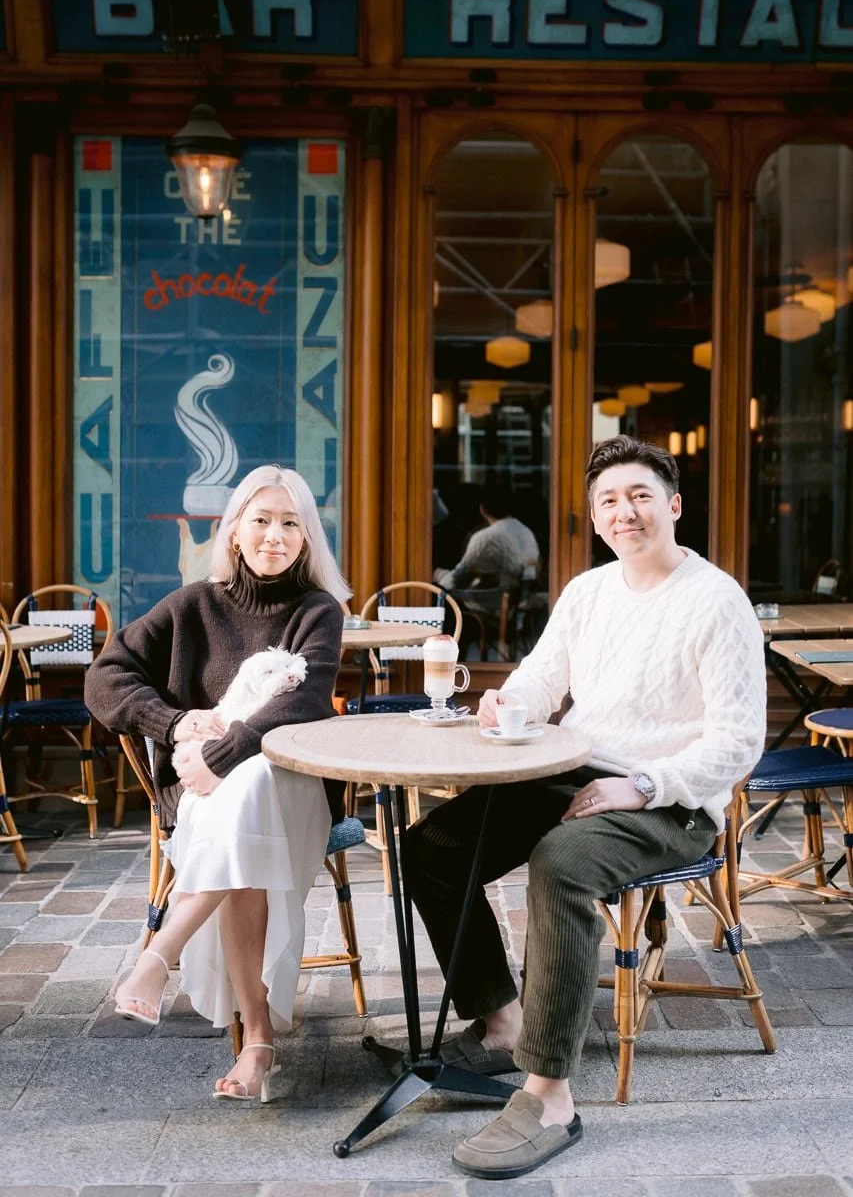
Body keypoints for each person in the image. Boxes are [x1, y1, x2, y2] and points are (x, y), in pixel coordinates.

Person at [404, 435, 766, 1180]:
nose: (622, 511)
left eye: (638, 495)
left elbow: (738, 742)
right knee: (432, 847)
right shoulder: (588, 592)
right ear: (594, 517)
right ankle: (500, 1019)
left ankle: (549, 1096)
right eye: (607, 500)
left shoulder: (714, 599)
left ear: (672, 505)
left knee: (561, 864)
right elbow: (542, 679)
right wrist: (510, 700)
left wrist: (641, 786)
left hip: (670, 800)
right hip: (572, 772)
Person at [85, 465, 351, 1103]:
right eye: (260, 520)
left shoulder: (318, 611)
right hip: (204, 792)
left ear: (307, 538)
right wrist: (173, 724)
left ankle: (159, 953)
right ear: (234, 530)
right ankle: (257, 1043)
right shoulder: (192, 606)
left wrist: (221, 754)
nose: (274, 536)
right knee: (243, 817)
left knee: (254, 783)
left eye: (291, 523)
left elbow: (303, 703)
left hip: (294, 793)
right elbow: (105, 678)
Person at [434, 486, 540, 593]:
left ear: (482, 509)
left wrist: (439, 575)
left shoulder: (485, 537)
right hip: (519, 597)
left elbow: (455, 580)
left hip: (493, 600)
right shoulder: (525, 530)